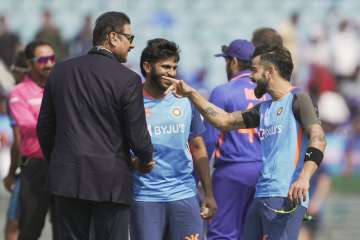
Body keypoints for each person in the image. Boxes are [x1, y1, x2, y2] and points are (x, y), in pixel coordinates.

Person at [164, 45, 326, 240]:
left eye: (255, 70)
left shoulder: (299, 99)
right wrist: (192, 93)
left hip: (285, 195)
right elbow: (224, 120)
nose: (251, 77)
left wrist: (304, 178)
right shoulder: (265, 108)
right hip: (261, 194)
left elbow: (318, 139)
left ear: (270, 71)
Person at [36, 11, 154, 240]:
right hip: (110, 181)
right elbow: (137, 135)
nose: (132, 45)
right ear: (112, 37)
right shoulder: (127, 79)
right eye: (129, 37)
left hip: (67, 178)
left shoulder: (60, 71)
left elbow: (44, 127)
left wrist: (59, 160)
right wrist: (146, 157)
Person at [130, 38, 216, 240]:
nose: (171, 73)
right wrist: (134, 163)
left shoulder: (185, 99)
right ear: (147, 67)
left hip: (184, 194)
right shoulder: (130, 101)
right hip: (146, 197)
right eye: (165, 67)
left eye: (174, 67)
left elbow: (198, 147)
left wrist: (209, 194)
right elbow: (118, 149)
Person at [203, 39, 265, 240]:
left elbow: (209, 141)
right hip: (265, 172)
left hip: (232, 171)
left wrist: (198, 179)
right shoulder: (268, 94)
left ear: (234, 62)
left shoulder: (222, 91)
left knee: (222, 235)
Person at [8, 41, 57, 240]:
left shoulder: (62, 87)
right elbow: (29, 127)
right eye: (43, 60)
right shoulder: (19, 92)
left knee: (66, 229)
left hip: (62, 166)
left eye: (52, 58)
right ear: (29, 63)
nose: (49, 64)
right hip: (35, 169)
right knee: (29, 230)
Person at [3, 50, 28, 240]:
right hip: (60, 169)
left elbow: (19, 141)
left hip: (30, 169)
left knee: (13, 225)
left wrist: (11, 173)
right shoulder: (54, 90)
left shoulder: (17, 95)